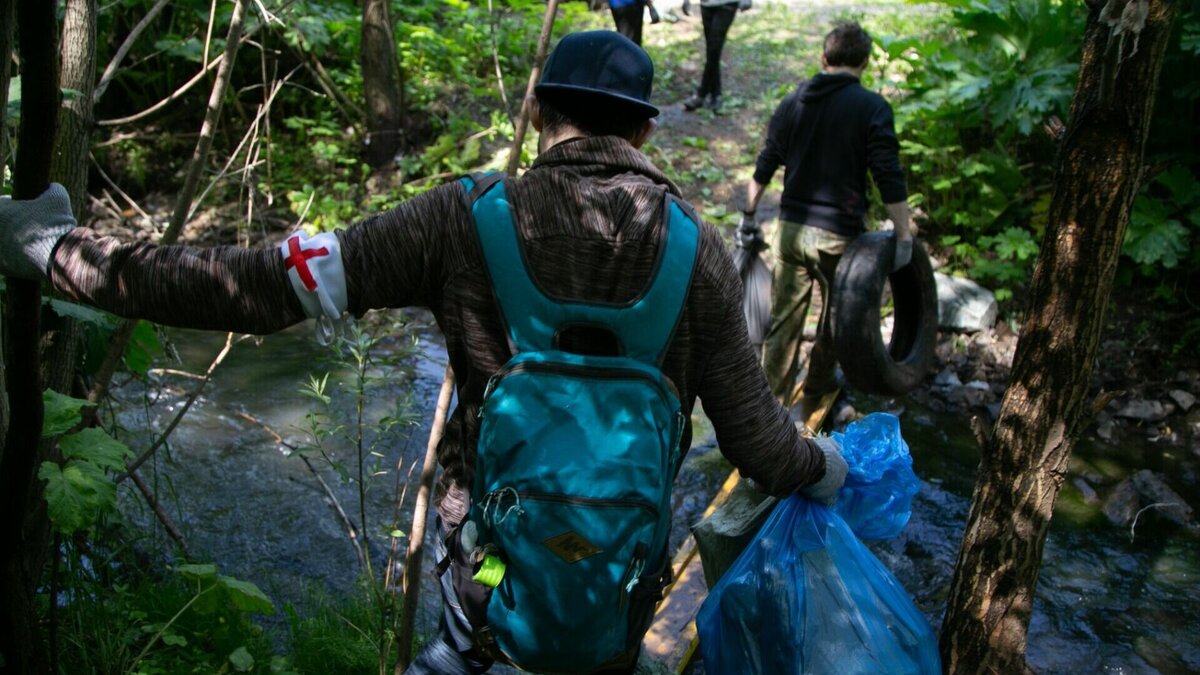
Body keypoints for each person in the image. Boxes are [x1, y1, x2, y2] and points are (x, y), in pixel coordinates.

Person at [0, 31, 846, 674]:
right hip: (619, 578)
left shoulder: (460, 219)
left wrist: (55, 250)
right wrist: (828, 463)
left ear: (538, 111)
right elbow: (756, 444)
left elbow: (252, 288)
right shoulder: (698, 252)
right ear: (648, 132)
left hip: (484, 563)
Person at [742, 20, 913, 419]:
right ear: (865, 62)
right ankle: (816, 389)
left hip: (790, 231)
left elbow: (767, 160)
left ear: (824, 56)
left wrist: (749, 212)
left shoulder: (793, 100)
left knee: (784, 322)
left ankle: (768, 410)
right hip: (840, 237)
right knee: (838, 320)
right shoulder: (872, 107)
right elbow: (888, 175)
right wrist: (903, 234)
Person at [681, 0, 752, 113]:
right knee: (711, 50)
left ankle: (702, 93)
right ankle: (715, 94)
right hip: (706, 4)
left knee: (714, 47)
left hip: (727, 4)